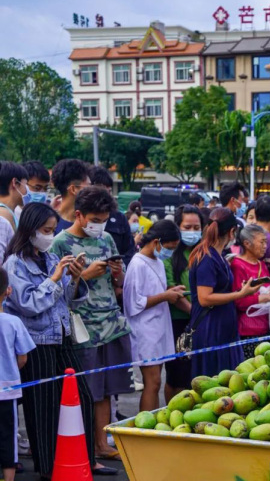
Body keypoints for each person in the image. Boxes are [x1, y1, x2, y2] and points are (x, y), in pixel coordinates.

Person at [4, 202, 99, 479]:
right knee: (42, 406)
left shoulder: (48, 258)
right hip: (37, 342)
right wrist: (56, 278)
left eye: (52, 230)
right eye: (46, 230)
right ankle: (47, 468)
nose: (49, 235)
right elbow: (28, 303)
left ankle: (85, 460)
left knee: (83, 396)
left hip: (62, 335)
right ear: (31, 230)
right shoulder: (14, 263)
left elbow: (66, 299)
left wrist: (75, 278)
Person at [51, 186, 132, 461]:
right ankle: (84, 448)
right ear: (79, 215)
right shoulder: (60, 243)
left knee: (108, 389)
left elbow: (117, 284)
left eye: (103, 219)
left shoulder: (108, 239)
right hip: (82, 327)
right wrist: (85, 273)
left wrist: (117, 274)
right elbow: (56, 290)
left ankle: (102, 443)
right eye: (95, 219)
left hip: (110, 322)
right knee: (88, 390)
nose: (99, 225)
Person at [187, 208, 260, 377]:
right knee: (213, 383)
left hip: (223, 329)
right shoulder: (206, 258)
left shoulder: (218, 255)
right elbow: (205, 298)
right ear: (232, 232)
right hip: (212, 330)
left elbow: (219, 289)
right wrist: (241, 294)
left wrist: (240, 289)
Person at [123, 221, 184, 412]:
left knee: (156, 381)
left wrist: (170, 291)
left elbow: (154, 290)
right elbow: (134, 302)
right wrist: (165, 296)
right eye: (169, 247)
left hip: (159, 327)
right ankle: (145, 425)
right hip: (145, 329)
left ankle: (152, 423)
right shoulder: (137, 264)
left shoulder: (157, 262)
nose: (170, 252)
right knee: (153, 382)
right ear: (157, 242)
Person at [0, 267, 35, 481]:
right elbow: (23, 356)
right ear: (8, 291)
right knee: (7, 436)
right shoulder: (12, 322)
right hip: (7, 389)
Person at [163, 204, 203, 400]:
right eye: (187, 227)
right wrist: (194, 313)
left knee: (193, 376)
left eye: (196, 227)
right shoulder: (169, 255)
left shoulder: (203, 252)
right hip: (178, 323)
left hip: (199, 322)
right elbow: (172, 291)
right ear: (178, 227)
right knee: (177, 376)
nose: (192, 232)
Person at [231, 223, 270, 351]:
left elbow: (269, 288)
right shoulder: (238, 265)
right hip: (248, 330)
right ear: (247, 244)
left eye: (265, 242)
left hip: (268, 326)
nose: (265, 247)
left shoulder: (261, 264)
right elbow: (239, 301)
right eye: (261, 242)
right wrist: (267, 297)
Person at [88, 166, 136, 266]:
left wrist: (119, 269)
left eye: (109, 191)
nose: (106, 197)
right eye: (102, 192)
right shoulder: (81, 217)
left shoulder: (119, 218)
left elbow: (130, 251)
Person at [0, 161, 30, 266]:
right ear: (14, 183)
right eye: (25, 184)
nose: (27, 190)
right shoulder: (3, 215)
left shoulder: (10, 213)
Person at [51, 158, 91, 232]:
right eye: (89, 185)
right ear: (73, 189)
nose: (92, 191)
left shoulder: (94, 223)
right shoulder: (48, 224)